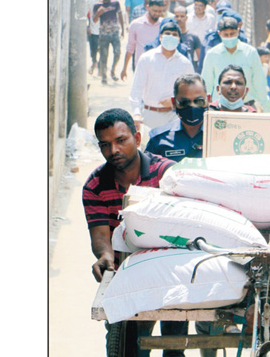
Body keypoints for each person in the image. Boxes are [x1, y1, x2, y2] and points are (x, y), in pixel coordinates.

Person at [83, 108, 176, 357]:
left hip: (171, 269)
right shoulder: (95, 186)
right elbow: (101, 236)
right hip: (126, 272)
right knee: (129, 344)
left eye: (121, 141)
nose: (113, 151)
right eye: (105, 145)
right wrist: (105, 257)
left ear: (137, 137)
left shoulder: (168, 174)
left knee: (175, 340)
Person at [130, 20, 194, 132]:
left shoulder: (185, 63)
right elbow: (137, 87)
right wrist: (136, 113)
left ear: (179, 39)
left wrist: (177, 101)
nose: (171, 36)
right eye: (167, 33)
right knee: (148, 148)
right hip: (150, 114)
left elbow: (191, 91)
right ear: (160, 37)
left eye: (174, 35)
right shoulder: (147, 58)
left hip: (174, 116)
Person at [201, 16, 270, 112]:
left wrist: (265, 106)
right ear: (219, 34)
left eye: (232, 34)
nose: (229, 37)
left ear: (238, 31)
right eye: (226, 35)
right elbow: (206, 84)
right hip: (220, 108)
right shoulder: (212, 54)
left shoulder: (250, 53)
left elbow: (259, 82)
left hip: (246, 107)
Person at [145, 73, 209, 161]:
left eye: (198, 101)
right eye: (184, 103)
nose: (192, 107)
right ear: (174, 103)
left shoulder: (221, 136)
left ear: (208, 100)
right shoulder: (158, 139)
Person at [122, 0, 164, 79]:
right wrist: (124, 69)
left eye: (160, 11)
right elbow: (130, 48)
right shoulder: (136, 24)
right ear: (148, 7)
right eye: (155, 11)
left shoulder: (164, 24)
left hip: (160, 68)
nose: (157, 14)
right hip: (141, 68)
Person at [92, 0, 125, 84]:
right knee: (104, 55)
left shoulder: (115, 3)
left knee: (117, 53)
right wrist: (98, 13)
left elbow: (120, 16)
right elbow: (94, 20)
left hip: (115, 32)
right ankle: (104, 75)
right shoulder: (97, 5)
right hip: (104, 34)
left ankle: (113, 70)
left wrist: (123, 29)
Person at [173, 6, 201, 71]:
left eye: (182, 16)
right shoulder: (170, 37)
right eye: (177, 16)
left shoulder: (193, 37)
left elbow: (200, 58)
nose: (179, 19)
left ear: (186, 18)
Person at [86, 0, 104, 75]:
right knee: (93, 49)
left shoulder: (107, 1)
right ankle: (94, 62)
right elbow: (84, 14)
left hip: (104, 30)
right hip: (93, 29)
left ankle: (100, 66)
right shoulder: (90, 0)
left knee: (103, 49)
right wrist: (87, 26)